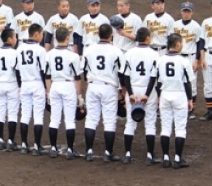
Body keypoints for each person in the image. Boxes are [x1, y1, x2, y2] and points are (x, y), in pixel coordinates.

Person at [149, 33, 195, 168]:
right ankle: (177, 158)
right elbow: (187, 83)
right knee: (180, 128)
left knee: (165, 128)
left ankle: (165, 158)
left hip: (165, 94)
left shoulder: (160, 60)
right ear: (178, 44)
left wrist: (159, 95)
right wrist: (190, 99)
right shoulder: (184, 61)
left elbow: (157, 82)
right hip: (179, 95)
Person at [82, 23, 123, 162]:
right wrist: (122, 91)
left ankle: (89, 151)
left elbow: (84, 70)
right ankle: (108, 153)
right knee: (109, 121)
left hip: (93, 86)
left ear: (98, 34)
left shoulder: (89, 49)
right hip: (109, 87)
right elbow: (121, 73)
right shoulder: (116, 51)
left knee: (91, 119)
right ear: (111, 35)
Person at [121, 27, 160, 165]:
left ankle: (127, 154)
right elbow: (154, 77)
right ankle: (150, 155)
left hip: (133, 88)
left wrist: (130, 93)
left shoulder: (129, 53)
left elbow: (125, 76)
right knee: (150, 123)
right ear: (148, 38)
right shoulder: (154, 54)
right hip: (148, 90)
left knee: (130, 123)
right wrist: (147, 95)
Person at [45, 27, 83, 159]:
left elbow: (47, 76)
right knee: (70, 120)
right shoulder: (73, 56)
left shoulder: (49, 54)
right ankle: (70, 150)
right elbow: (77, 78)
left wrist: (48, 92)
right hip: (68, 86)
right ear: (68, 38)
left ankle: (53, 148)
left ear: (55, 39)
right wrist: (79, 95)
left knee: (54, 119)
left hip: (55, 86)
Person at [16, 23, 47, 155]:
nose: (42, 37)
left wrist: (20, 85)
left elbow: (17, 70)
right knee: (38, 115)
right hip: (37, 83)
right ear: (36, 34)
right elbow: (43, 70)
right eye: (41, 34)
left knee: (25, 114)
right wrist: (46, 87)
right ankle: (36, 146)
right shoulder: (40, 50)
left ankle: (24, 144)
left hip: (24, 84)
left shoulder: (19, 48)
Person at [172, 1, 203, 120]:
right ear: (181, 12)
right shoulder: (175, 25)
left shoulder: (196, 26)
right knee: (176, 81)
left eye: (188, 11)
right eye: (184, 11)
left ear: (192, 12)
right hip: (177, 56)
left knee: (192, 83)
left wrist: (197, 60)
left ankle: (191, 109)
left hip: (191, 57)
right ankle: (177, 107)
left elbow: (199, 44)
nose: (186, 13)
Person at [0, 27, 21, 151]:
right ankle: (10, 141)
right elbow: (18, 71)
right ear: (9, 39)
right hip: (12, 84)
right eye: (15, 37)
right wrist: (20, 86)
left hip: (0, 84)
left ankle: (0, 140)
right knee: (12, 113)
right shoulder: (15, 53)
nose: (16, 39)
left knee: (0, 112)